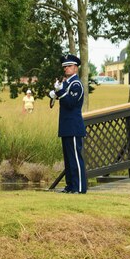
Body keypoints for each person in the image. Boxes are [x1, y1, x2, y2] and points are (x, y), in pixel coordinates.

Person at [49, 54, 87, 194]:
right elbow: (60, 96)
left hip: (73, 125)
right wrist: (55, 93)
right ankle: (70, 186)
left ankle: (79, 187)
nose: (66, 68)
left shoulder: (76, 84)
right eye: (65, 66)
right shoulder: (66, 83)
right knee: (68, 158)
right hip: (65, 124)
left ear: (76, 68)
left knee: (75, 158)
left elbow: (71, 103)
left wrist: (60, 92)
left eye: (69, 66)